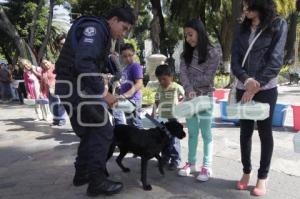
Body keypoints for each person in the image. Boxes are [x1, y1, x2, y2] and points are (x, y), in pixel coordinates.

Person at [54, 7, 136, 197]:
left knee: (91, 132)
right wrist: (103, 92)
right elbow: (84, 62)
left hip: (71, 88)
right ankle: (97, 182)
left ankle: (82, 174)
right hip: (77, 88)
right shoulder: (97, 29)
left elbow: (91, 60)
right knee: (103, 130)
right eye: (123, 28)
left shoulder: (101, 33)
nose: (123, 34)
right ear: (113, 20)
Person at [231, 0, 287, 196]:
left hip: (266, 87)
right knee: (245, 132)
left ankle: (262, 177)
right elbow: (235, 60)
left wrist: (256, 86)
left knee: (265, 132)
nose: (244, 9)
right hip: (243, 86)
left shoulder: (278, 24)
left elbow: (276, 60)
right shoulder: (241, 27)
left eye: (248, 5)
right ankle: (246, 171)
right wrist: (246, 81)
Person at [178, 18, 221, 182]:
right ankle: (191, 163)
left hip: (205, 98)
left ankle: (207, 166)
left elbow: (207, 77)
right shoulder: (185, 54)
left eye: (190, 34)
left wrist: (193, 90)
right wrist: (189, 91)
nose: (188, 38)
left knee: (206, 133)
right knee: (193, 133)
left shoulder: (213, 52)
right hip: (190, 99)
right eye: (186, 36)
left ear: (200, 32)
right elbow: (183, 74)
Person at [151, 64, 184, 170]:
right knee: (164, 139)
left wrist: (180, 104)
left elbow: (184, 96)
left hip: (173, 118)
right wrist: (153, 112)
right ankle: (165, 157)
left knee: (174, 140)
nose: (162, 82)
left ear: (171, 77)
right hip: (162, 118)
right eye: (159, 80)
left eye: (164, 79)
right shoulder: (159, 88)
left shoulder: (176, 87)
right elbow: (156, 101)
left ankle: (175, 160)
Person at [114, 43, 143, 128]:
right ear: (121, 57)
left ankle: (121, 132)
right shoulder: (125, 68)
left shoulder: (135, 66)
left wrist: (126, 95)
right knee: (131, 125)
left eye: (130, 55)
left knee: (136, 124)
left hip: (133, 100)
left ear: (134, 54)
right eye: (125, 56)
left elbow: (139, 83)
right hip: (127, 99)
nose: (128, 58)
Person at [40, 59, 66, 126]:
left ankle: (62, 120)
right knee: (52, 106)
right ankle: (56, 120)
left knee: (59, 105)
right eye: (43, 64)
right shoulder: (43, 71)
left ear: (49, 61)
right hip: (48, 91)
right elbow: (42, 82)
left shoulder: (55, 67)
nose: (45, 64)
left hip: (56, 89)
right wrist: (41, 91)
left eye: (46, 62)